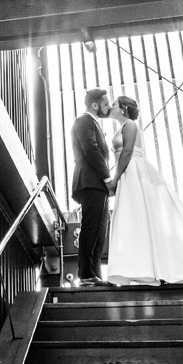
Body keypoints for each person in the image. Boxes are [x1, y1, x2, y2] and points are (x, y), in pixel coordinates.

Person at [106, 95, 183, 286]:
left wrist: (115, 179)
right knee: (133, 218)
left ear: (123, 108)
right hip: (127, 172)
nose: (110, 106)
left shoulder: (129, 125)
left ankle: (155, 267)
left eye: (113, 104)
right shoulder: (122, 126)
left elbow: (128, 151)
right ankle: (140, 267)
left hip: (133, 170)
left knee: (137, 215)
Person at [70, 88, 115, 285]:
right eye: (106, 104)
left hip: (98, 185)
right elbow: (91, 149)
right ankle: (86, 275)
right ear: (95, 105)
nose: (109, 107)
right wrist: (107, 178)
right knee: (91, 227)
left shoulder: (93, 123)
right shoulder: (84, 121)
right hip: (90, 182)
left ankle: (95, 275)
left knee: (100, 231)